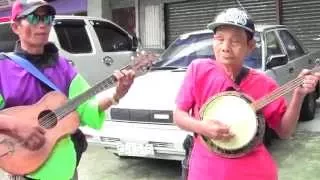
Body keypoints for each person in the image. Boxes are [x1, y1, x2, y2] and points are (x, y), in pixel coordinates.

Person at [173, 8, 320, 180]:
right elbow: (178, 115)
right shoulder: (199, 70)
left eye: (235, 41)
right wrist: (201, 127)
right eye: (219, 39)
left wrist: (298, 96)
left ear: (250, 46)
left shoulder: (263, 83)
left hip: (254, 173)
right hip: (205, 172)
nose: (225, 48)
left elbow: (284, 132)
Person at [0, 0, 137, 179]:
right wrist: (18, 126)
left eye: (48, 18)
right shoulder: (3, 68)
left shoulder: (63, 67)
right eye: (34, 18)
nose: (42, 24)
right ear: (16, 26)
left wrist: (117, 94)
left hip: (66, 169)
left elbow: (87, 109)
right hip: (26, 169)